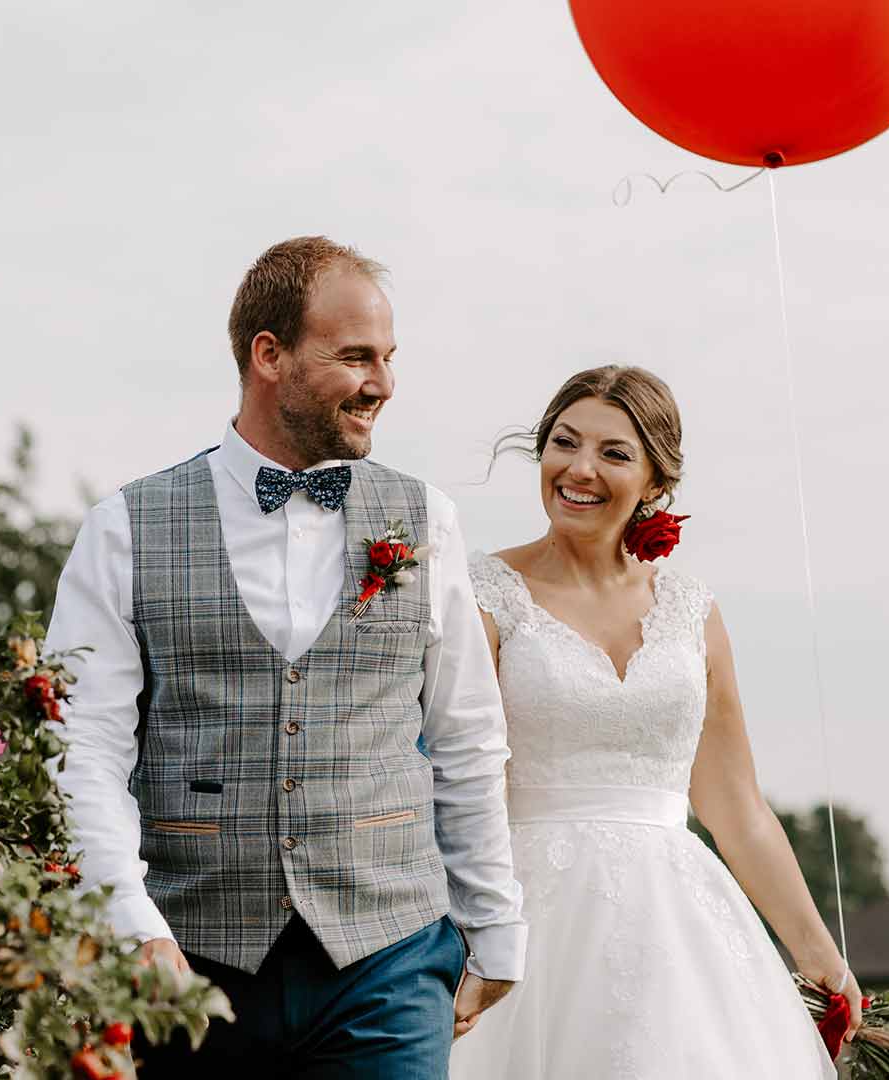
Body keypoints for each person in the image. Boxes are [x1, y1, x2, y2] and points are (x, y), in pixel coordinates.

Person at [48, 236, 527, 1078]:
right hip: (189, 964)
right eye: (354, 357)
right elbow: (83, 749)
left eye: (387, 357)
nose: (381, 383)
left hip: (388, 958)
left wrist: (494, 925)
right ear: (268, 355)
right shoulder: (123, 528)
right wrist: (132, 924)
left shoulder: (427, 519)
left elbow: (466, 736)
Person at [446, 366, 859, 1078]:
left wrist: (820, 955)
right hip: (524, 921)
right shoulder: (482, 593)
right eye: (563, 442)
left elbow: (735, 805)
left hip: (679, 926)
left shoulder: (690, 607)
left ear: (656, 483)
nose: (579, 468)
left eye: (613, 453)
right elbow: (460, 785)